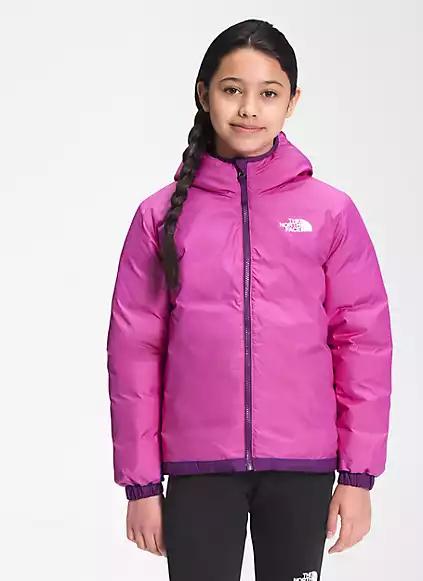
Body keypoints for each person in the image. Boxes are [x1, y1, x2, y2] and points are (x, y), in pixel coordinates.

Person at [106, 18, 393, 581]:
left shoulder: (329, 212)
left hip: (303, 468)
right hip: (197, 468)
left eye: (268, 94)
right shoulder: (160, 217)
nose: (248, 109)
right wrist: (140, 485)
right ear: (203, 93)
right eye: (232, 89)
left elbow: (363, 344)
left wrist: (358, 478)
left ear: (292, 102)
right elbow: (133, 352)